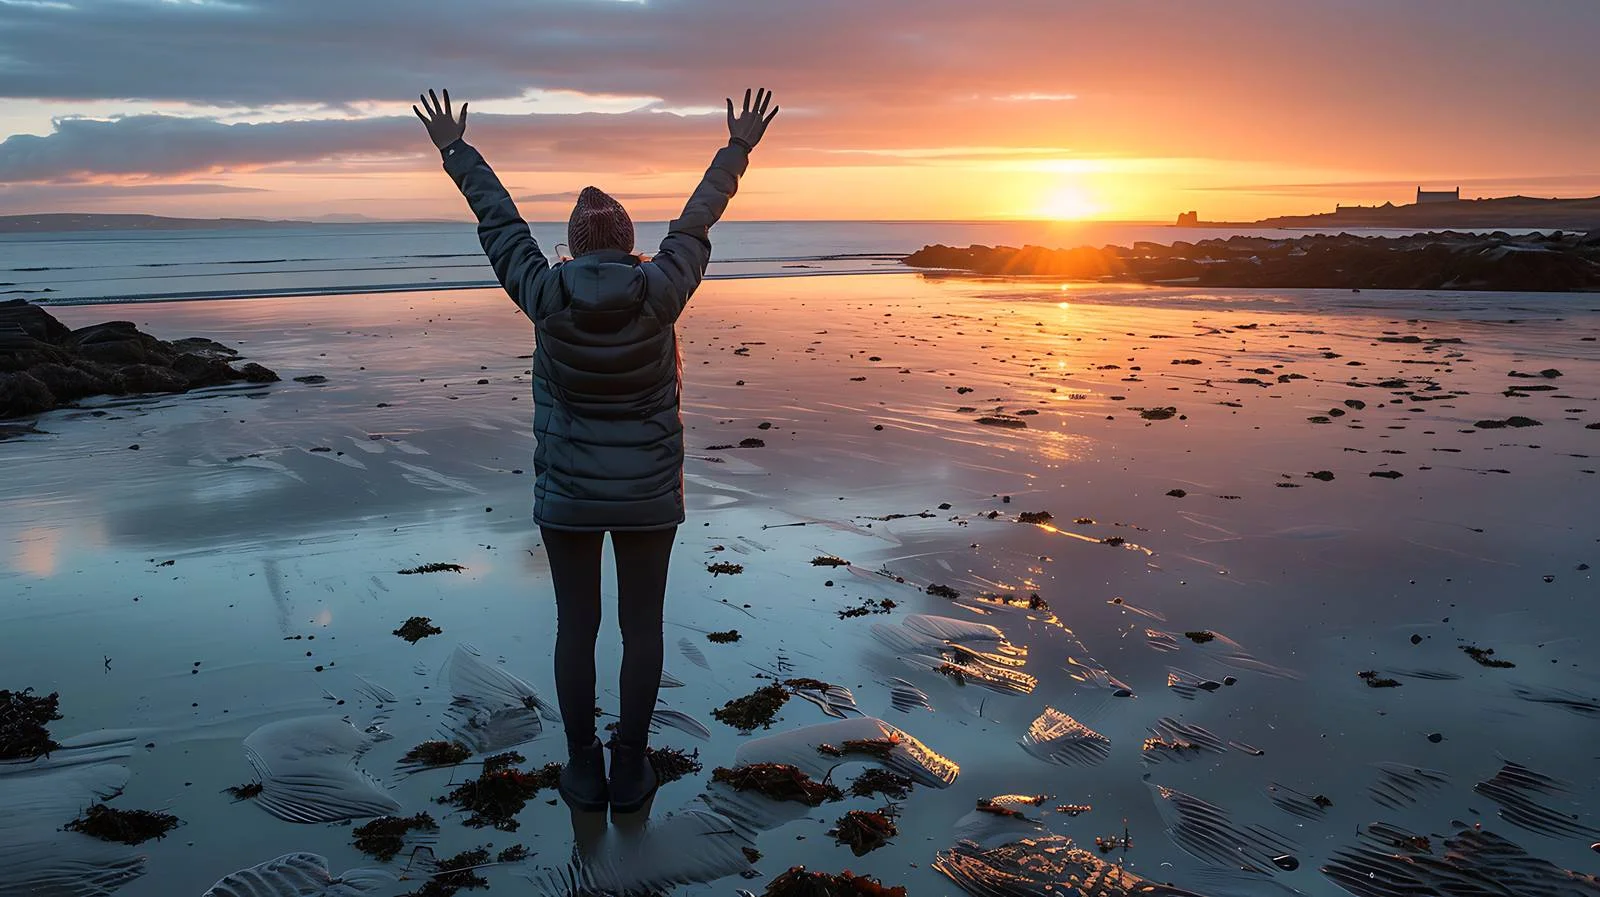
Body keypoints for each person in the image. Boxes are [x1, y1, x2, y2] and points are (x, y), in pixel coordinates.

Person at [414, 87, 779, 816]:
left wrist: (456, 150)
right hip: (648, 497)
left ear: (576, 246)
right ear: (628, 239)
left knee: (575, 629)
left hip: (570, 500)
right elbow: (699, 219)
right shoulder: (662, 288)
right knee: (641, 628)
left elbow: (500, 222)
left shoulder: (545, 293)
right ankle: (632, 767)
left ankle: (583, 770)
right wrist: (737, 148)